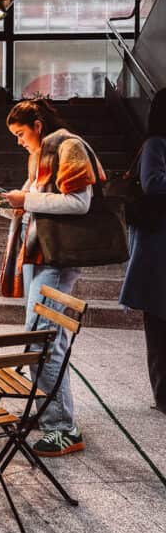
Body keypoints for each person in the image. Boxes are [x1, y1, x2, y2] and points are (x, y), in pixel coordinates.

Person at [0, 99, 104, 457]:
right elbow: (37, 198)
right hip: (39, 254)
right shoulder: (41, 153)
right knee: (43, 340)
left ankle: (62, 427)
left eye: (20, 133)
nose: (18, 141)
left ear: (38, 125)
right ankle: (48, 412)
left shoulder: (68, 146)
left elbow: (79, 203)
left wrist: (25, 201)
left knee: (43, 341)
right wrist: (11, 201)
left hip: (56, 258)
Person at [120, 88, 166, 414]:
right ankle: (163, 395)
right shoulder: (155, 143)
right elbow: (152, 183)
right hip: (157, 246)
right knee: (160, 322)